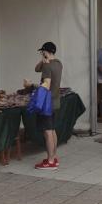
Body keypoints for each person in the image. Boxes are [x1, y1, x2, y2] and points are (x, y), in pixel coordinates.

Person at [24, 42, 63, 170]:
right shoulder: (58, 64)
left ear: (45, 52)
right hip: (56, 101)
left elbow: (46, 84)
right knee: (52, 130)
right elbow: (37, 69)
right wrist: (43, 61)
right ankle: (54, 157)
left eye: (42, 52)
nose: (42, 54)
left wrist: (31, 86)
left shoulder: (47, 67)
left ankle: (50, 161)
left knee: (47, 132)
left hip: (47, 103)